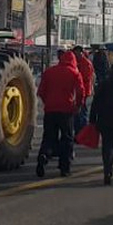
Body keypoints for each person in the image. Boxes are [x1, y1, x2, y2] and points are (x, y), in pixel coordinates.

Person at [36, 50, 84, 178]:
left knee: (48, 137)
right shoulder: (74, 73)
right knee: (67, 138)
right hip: (66, 110)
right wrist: (78, 106)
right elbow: (80, 92)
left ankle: (44, 154)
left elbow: (41, 91)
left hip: (50, 110)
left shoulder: (49, 72)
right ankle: (65, 167)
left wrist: (48, 102)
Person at [73, 46, 95, 133]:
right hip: (80, 90)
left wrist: (76, 76)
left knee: (82, 112)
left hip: (84, 90)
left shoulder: (86, 63)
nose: (76, 54)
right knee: (79, 112)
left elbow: (86, 77)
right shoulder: (78, 62)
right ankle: (79, 131)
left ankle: (82, 132)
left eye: (77, 52)